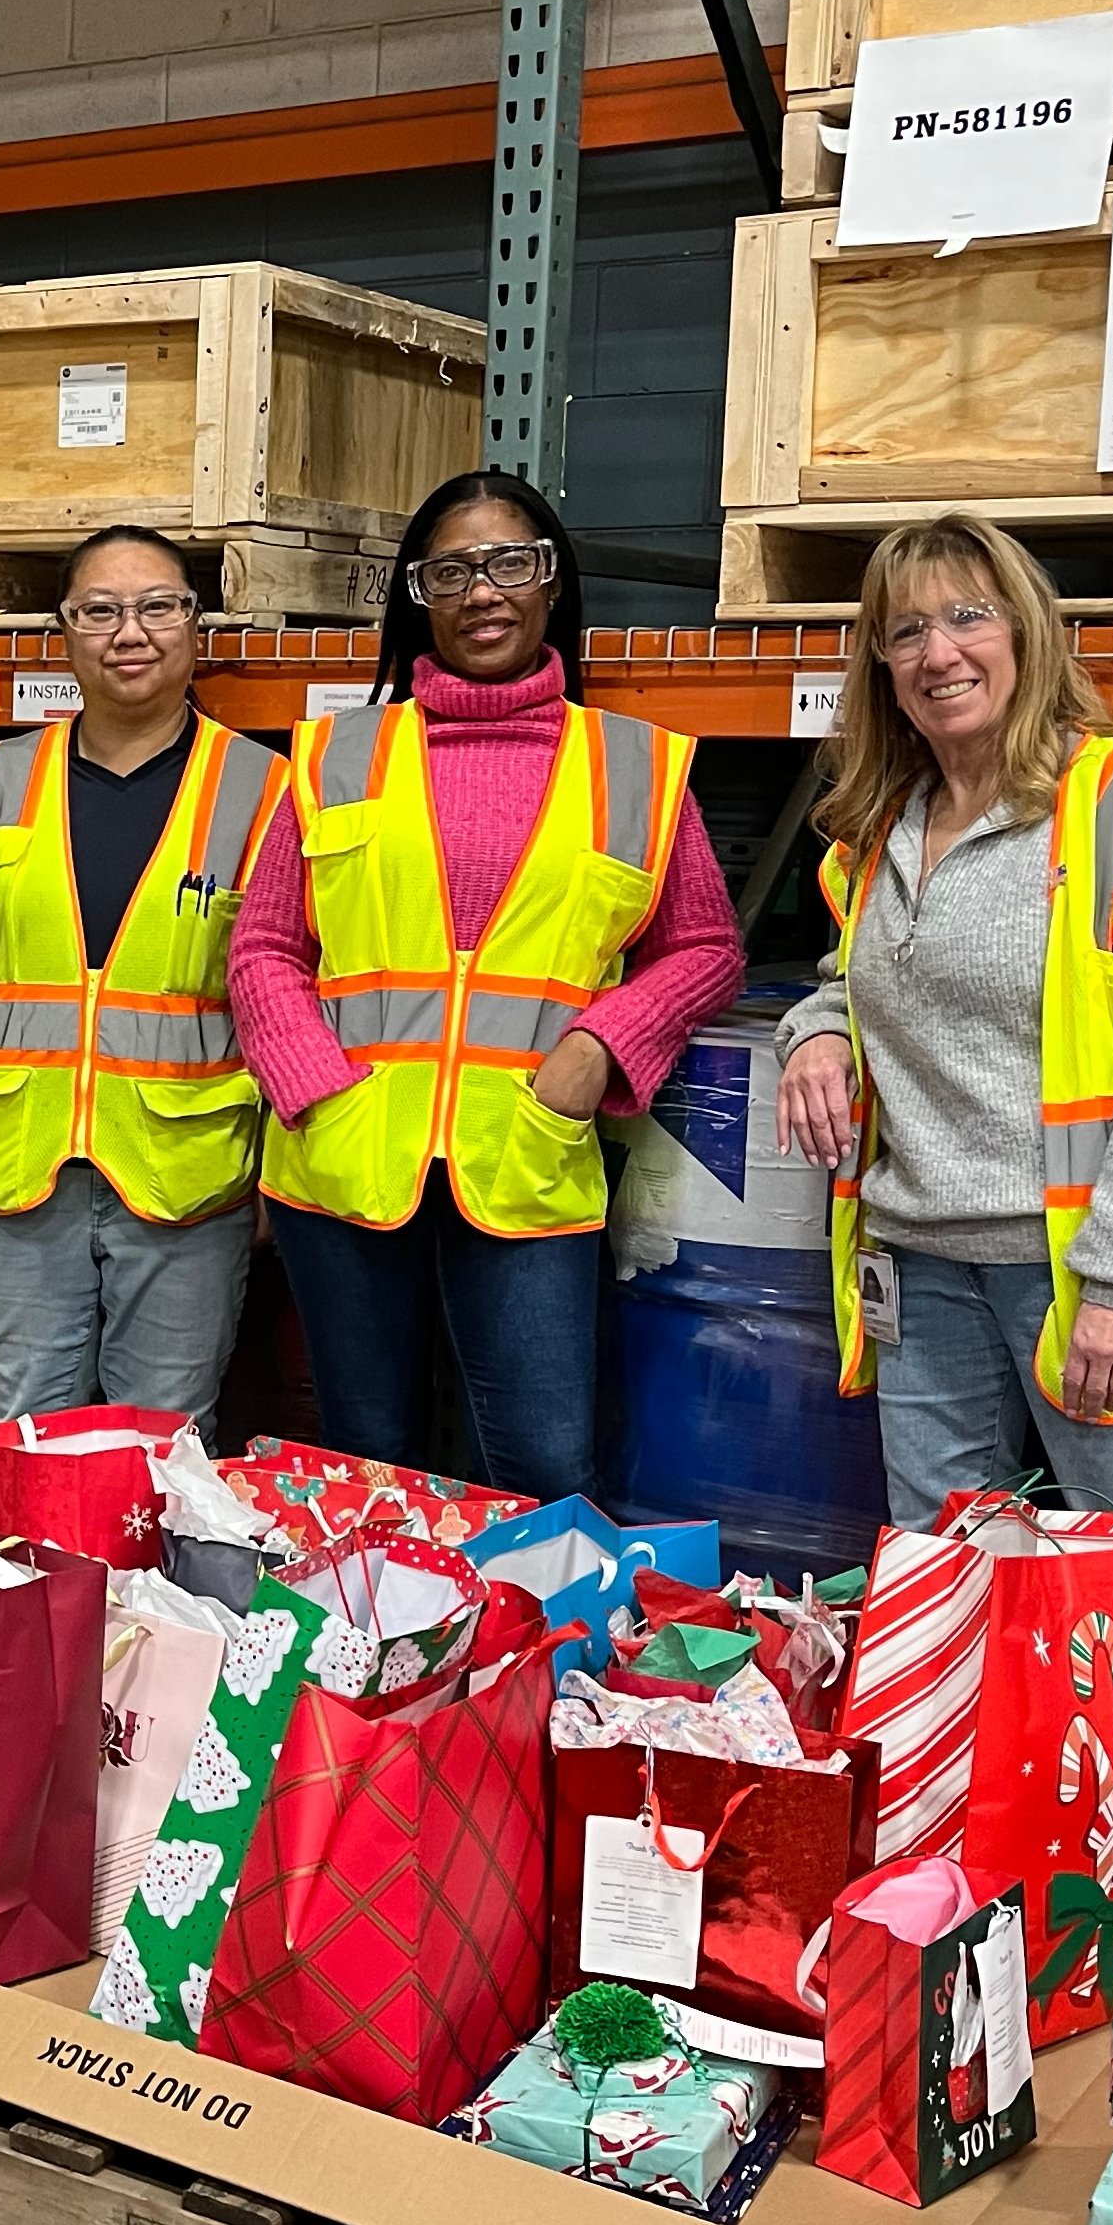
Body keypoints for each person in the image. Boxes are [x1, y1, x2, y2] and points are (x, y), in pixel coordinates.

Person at [770, 511, 1113, 2004]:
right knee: (944, 1603)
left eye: (966, 618)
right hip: (919, 1270)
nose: (936, 653)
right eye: (903, 630)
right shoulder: (880, 827)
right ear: (875, 664)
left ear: (1024, 633)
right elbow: (853, 984)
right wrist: (812, 1030)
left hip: (1076, 1284)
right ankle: (974, 1914)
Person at [226, 471, 743, 1499]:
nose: (483, 592)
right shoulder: (339, 756)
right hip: (345, 1160)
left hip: (526, 1155)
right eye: (451, 572)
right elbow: (265, 945)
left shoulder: (631, 766)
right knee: (365, 1466)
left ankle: (527, 1619)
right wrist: (313, 1085)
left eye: (511, 563)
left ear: (552, 581)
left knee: (544, 1466)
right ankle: (379, 1615)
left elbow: (704, 946)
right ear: (417, 597)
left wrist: (599, 1048)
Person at [0, 527, 286, 1429]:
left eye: (157, 607)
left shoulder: (265, 790)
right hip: (24, 1173)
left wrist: (280, 1172)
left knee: (165, 1448)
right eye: (99, 611)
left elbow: (290, 1000)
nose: (128, 632)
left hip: (189, 1180)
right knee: (24, 1435)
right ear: (62, 630)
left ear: (196, 624)